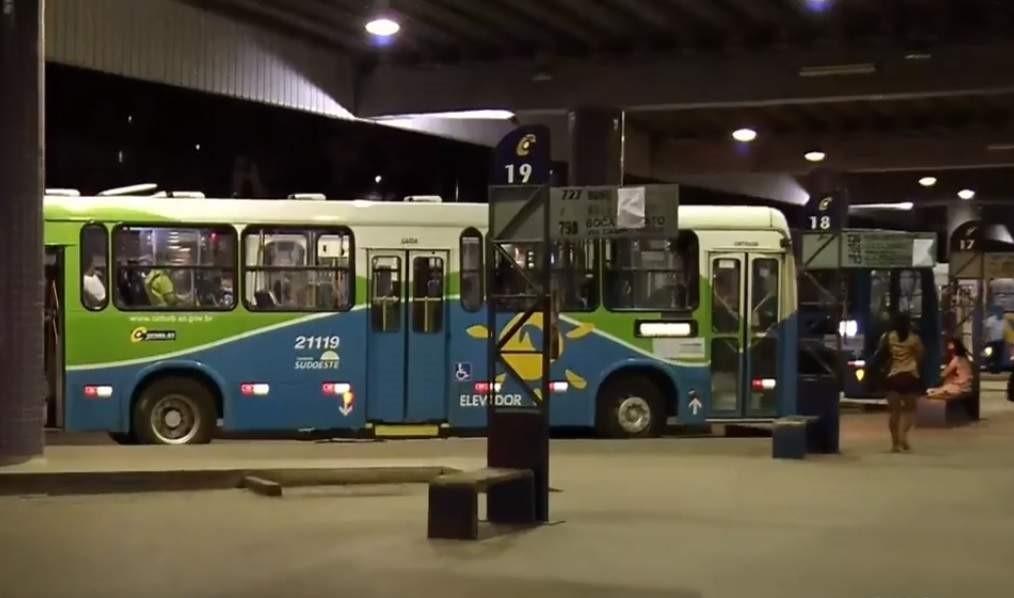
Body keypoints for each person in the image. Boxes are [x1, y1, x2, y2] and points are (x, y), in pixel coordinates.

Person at [874, 312, 925, 453]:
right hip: (910, 376)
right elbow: (921, 355)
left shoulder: (888, 337)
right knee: (910, 411)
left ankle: (895, 444)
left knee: (894, 413)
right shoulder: (914, 339)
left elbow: (881, 354)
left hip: (893, 377)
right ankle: (903, 435)